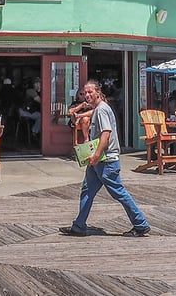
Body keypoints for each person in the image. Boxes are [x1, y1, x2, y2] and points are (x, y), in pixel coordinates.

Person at [60, 80, 150, 237]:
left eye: (90, 92)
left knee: (119, 192)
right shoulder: (97, 109)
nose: (87, 95)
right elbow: (80, 117)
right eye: (85, 92)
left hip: (106, 160)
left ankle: (140, 224)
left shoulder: (101, 110)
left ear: (98, 93)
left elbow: (106, 133)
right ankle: (78, 226)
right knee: (87, 191)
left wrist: (95, 155)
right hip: (98, 160)